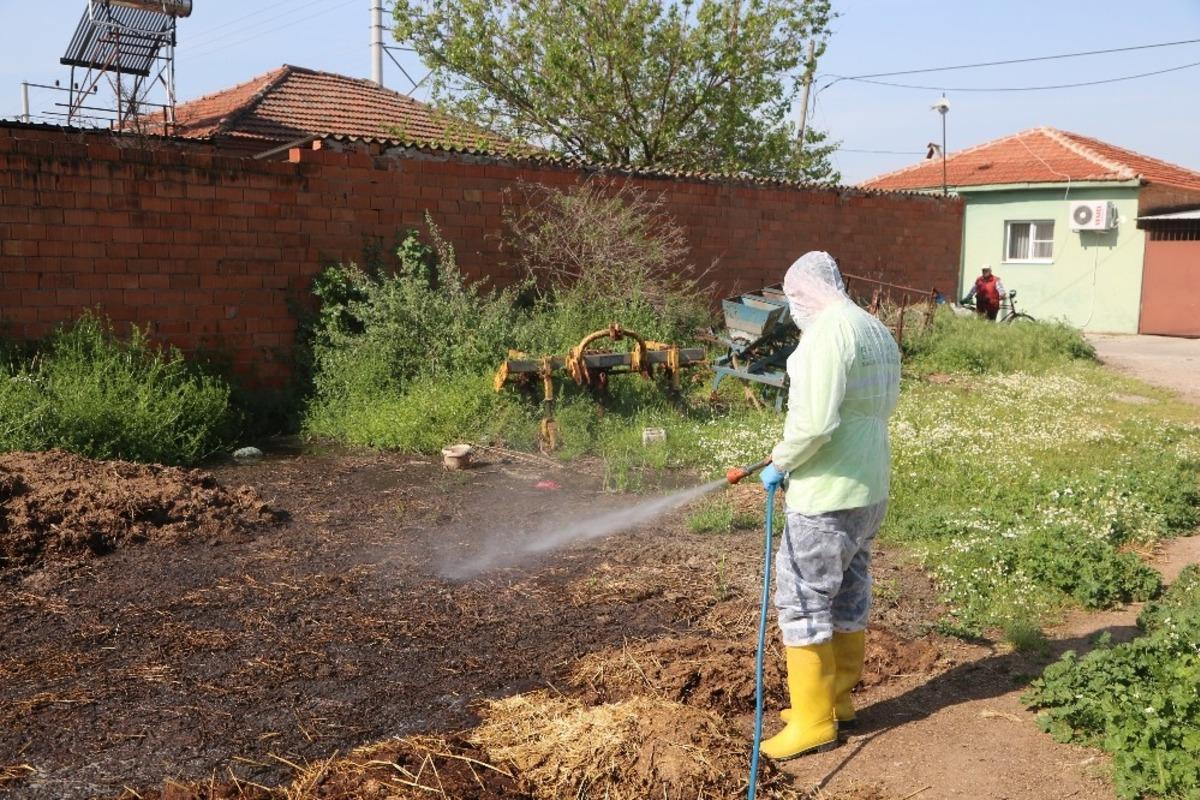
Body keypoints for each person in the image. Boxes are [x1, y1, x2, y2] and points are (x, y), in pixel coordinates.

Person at [757, 251, 901, 761]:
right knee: (848, 591)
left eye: (794, 296)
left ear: (805, 292)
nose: (794, 306)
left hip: (828, 490)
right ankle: (838, 702)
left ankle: (813, 722)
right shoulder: (873, 328)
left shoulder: (826, 334)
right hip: (870, 484)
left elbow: (815, 423)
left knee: (803, 596)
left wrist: (783, 460)